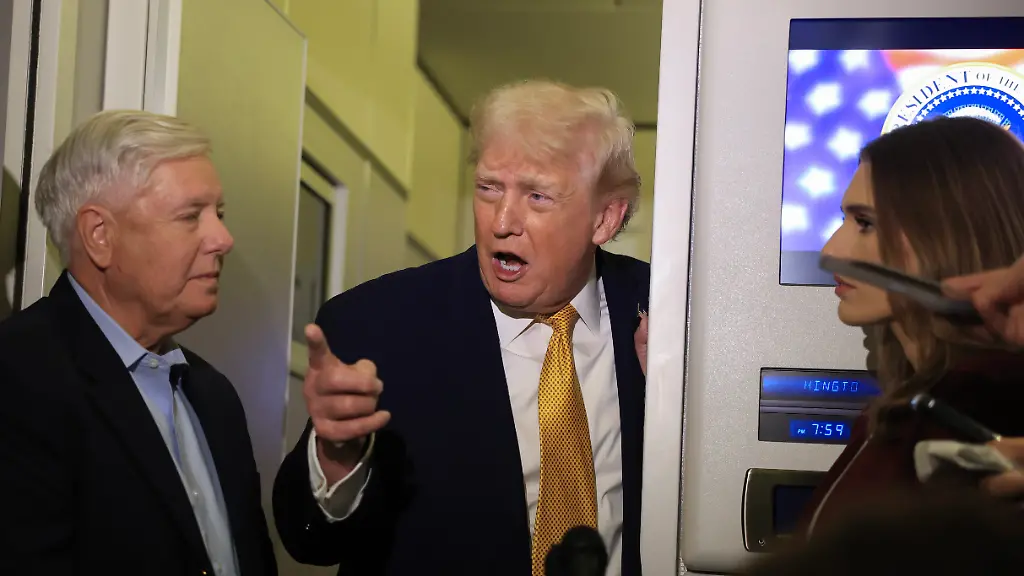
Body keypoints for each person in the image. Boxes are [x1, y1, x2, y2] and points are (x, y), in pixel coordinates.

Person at [273, 80, 650, 576]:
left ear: (604, 218)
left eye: (537, 196)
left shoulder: (668, 321)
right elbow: (310, 541)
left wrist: (676, 398)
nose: (502, 221)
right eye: (489, 188)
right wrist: (337, 458)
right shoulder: (378, 325)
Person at [0, 110, 276, 575]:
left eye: (220, 215)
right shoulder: (18, 377)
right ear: (100, 236)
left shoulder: (215, 396)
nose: (224, 239)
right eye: (191, 216)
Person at [796, 116, 1024, 535]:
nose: (832, 250)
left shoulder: (979, 411)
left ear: (949, 232)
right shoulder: (905, 410)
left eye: (865, 223)